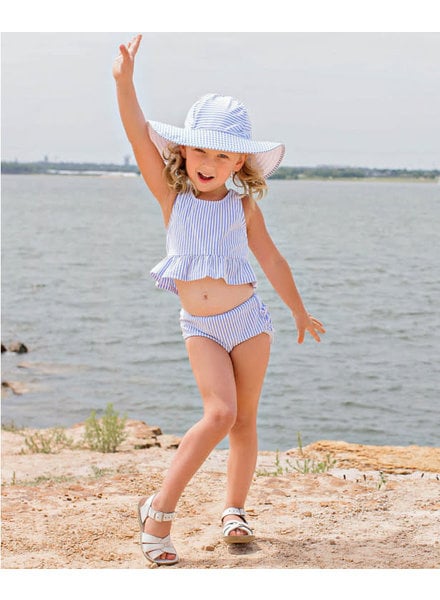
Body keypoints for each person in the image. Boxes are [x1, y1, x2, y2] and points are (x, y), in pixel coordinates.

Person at [112, 34, 325, 567]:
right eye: (200, 149)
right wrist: (125, 83)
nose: (208, 161)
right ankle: (158, 511)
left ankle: (234, 509)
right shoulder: (171, 195)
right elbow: (138, 134)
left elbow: (272, 261)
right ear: (184, 150)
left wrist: (298, 310)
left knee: (245, 421)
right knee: (220, 413)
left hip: (249, 322)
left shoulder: (244, 207)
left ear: (239, 164)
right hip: (202, 326)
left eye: (222, 154)